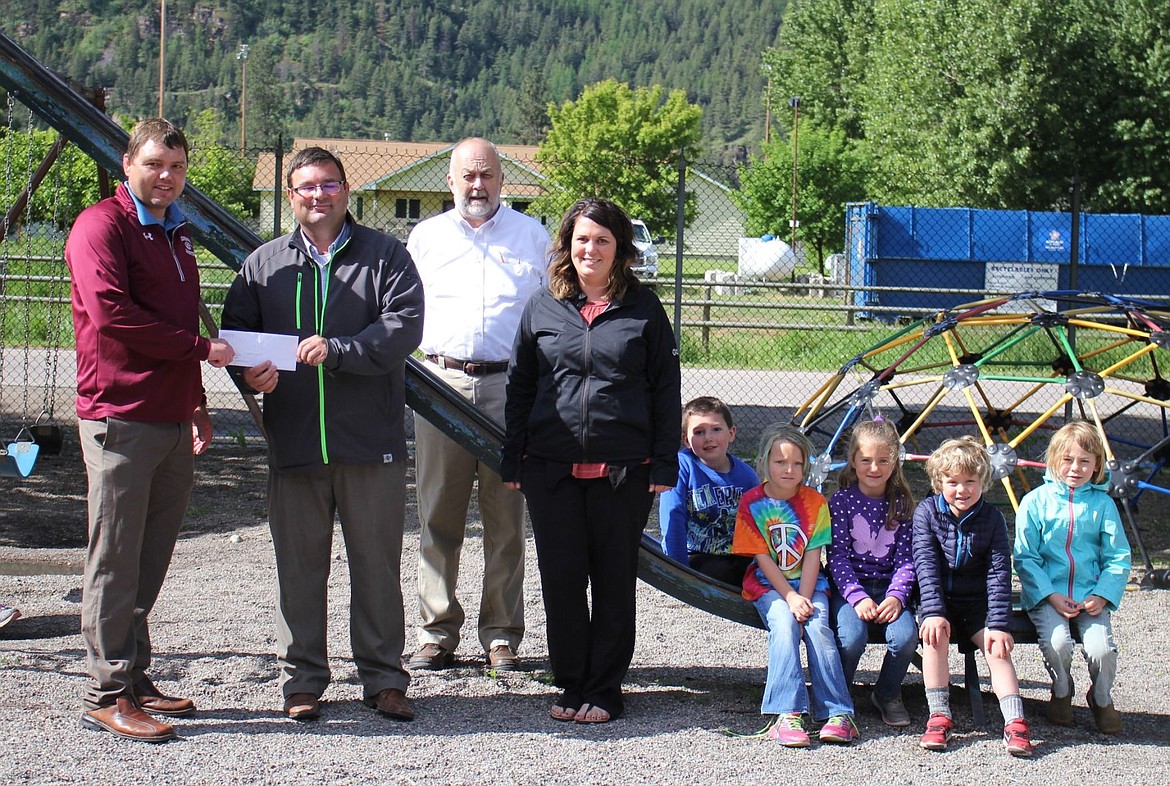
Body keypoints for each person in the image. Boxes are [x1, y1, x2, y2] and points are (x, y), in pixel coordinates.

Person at [220, 146, 424, 723]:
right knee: (300, 567)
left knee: (377, 567)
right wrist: (247, 373)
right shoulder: (263, 264)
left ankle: (384, 680)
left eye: (329, 185)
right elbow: (239, 338)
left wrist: (340, 352)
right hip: (296, 442)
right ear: (291, 195)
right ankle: (302, 682)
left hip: (370, 444)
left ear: (345, 191)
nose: (319, 195)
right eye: (307, 186)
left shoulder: (385, 256)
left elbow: (402, 328)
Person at [65, 118, 235, 743]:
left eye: (177, 169)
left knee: (150, 553)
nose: (166, 178)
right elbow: (113, 317)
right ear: (127, 164)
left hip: (168, 415)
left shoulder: (174, 233)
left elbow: (180, 313)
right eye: (155, 165)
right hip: (120, 416)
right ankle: (106, 692)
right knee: (114, 558)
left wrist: (194, 402)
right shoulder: (100, 227)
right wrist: (198, 349)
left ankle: (134, 676)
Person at [502, 197, 680, 724]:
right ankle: (570, 682)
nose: (591, 249)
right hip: (549, 467)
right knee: (561, 579)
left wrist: (663, 464)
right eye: (582, 239)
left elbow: (664, 390)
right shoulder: (542, 306)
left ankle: (604, 689)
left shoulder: (644, 308)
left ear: (620, 249)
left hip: (623, 470)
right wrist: (514, 459)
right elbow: (520, 385)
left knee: (612, 579)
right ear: (567, 246)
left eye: (603, 240)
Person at [406, 137, 549, 673]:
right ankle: (436, 631)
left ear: (502, 180)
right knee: (436, 513)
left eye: (487, 175)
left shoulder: (531, 237)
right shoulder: (425, 238)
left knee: (506, 516)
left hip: (510, 389)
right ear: (449, 181)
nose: (477, 185)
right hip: (440, 382)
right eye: (467, 175)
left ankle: (502, 634)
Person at [731, 425, 858, 748]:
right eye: (780, 462)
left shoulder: (814, 502)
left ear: (806, 466)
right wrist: (789, 597)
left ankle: (838, 713)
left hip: (809, 584)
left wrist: (804, 595)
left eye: (797, 464)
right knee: (785, 626)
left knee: (818, 628)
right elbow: (762, 557)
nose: (789, 470)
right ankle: (787, 713)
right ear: (764, 464)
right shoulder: (752, 503)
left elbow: (814, 556)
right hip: (769, 584)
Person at [913, 437, 1032, 757]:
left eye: (970, 482)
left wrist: (999, 622)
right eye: (953, 482)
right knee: (934, 638)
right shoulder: (926, 513)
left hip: (978, 602)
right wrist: (934, 611)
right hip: (941, 600)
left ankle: (1015, 723)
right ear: (939, 483)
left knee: (998, 647)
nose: (962, 490)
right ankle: (939, 715)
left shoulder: (991, 518)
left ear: (983, 482)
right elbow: (925, 565)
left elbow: (998, 573)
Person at [1013, 422, 1131, 734]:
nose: (1075, 468)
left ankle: (1101, 697)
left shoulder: (1103, 505)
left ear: (1096, 466)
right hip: (1047, 594)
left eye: (1084, 461)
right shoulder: (1035, 501)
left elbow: (1118, 556)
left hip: (1090, 595)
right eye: (1067, 460)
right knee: (1057, 643)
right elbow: (1025, 556)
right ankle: (1062, 690)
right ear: (1053, 460)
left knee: (1101, 649)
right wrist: (1049, 594)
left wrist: (1103, 594)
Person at [827, 419, 918, 727]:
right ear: (853, 461)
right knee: (852, 638)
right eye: (866, 460)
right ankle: (839, 695)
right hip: (850, 588)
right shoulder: (840, 502)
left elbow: (907, 559)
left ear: (895, 462)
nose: (874, 468)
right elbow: (836, 556)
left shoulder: (903, 504)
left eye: (883, 460)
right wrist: (856, 597)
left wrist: (896, 596)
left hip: (890, 588)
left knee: (905, 637)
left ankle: (887, 693)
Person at [659, 396, 757, 584]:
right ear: (686, 440)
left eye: (716, 429)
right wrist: (678, 572)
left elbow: (757, 527)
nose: (709, 438)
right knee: (725, 573)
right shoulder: (682, 467)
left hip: (736, 555)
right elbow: (673, 518)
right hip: (696, 556)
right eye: (699, 432)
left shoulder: (747, 477)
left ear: (731, 433)